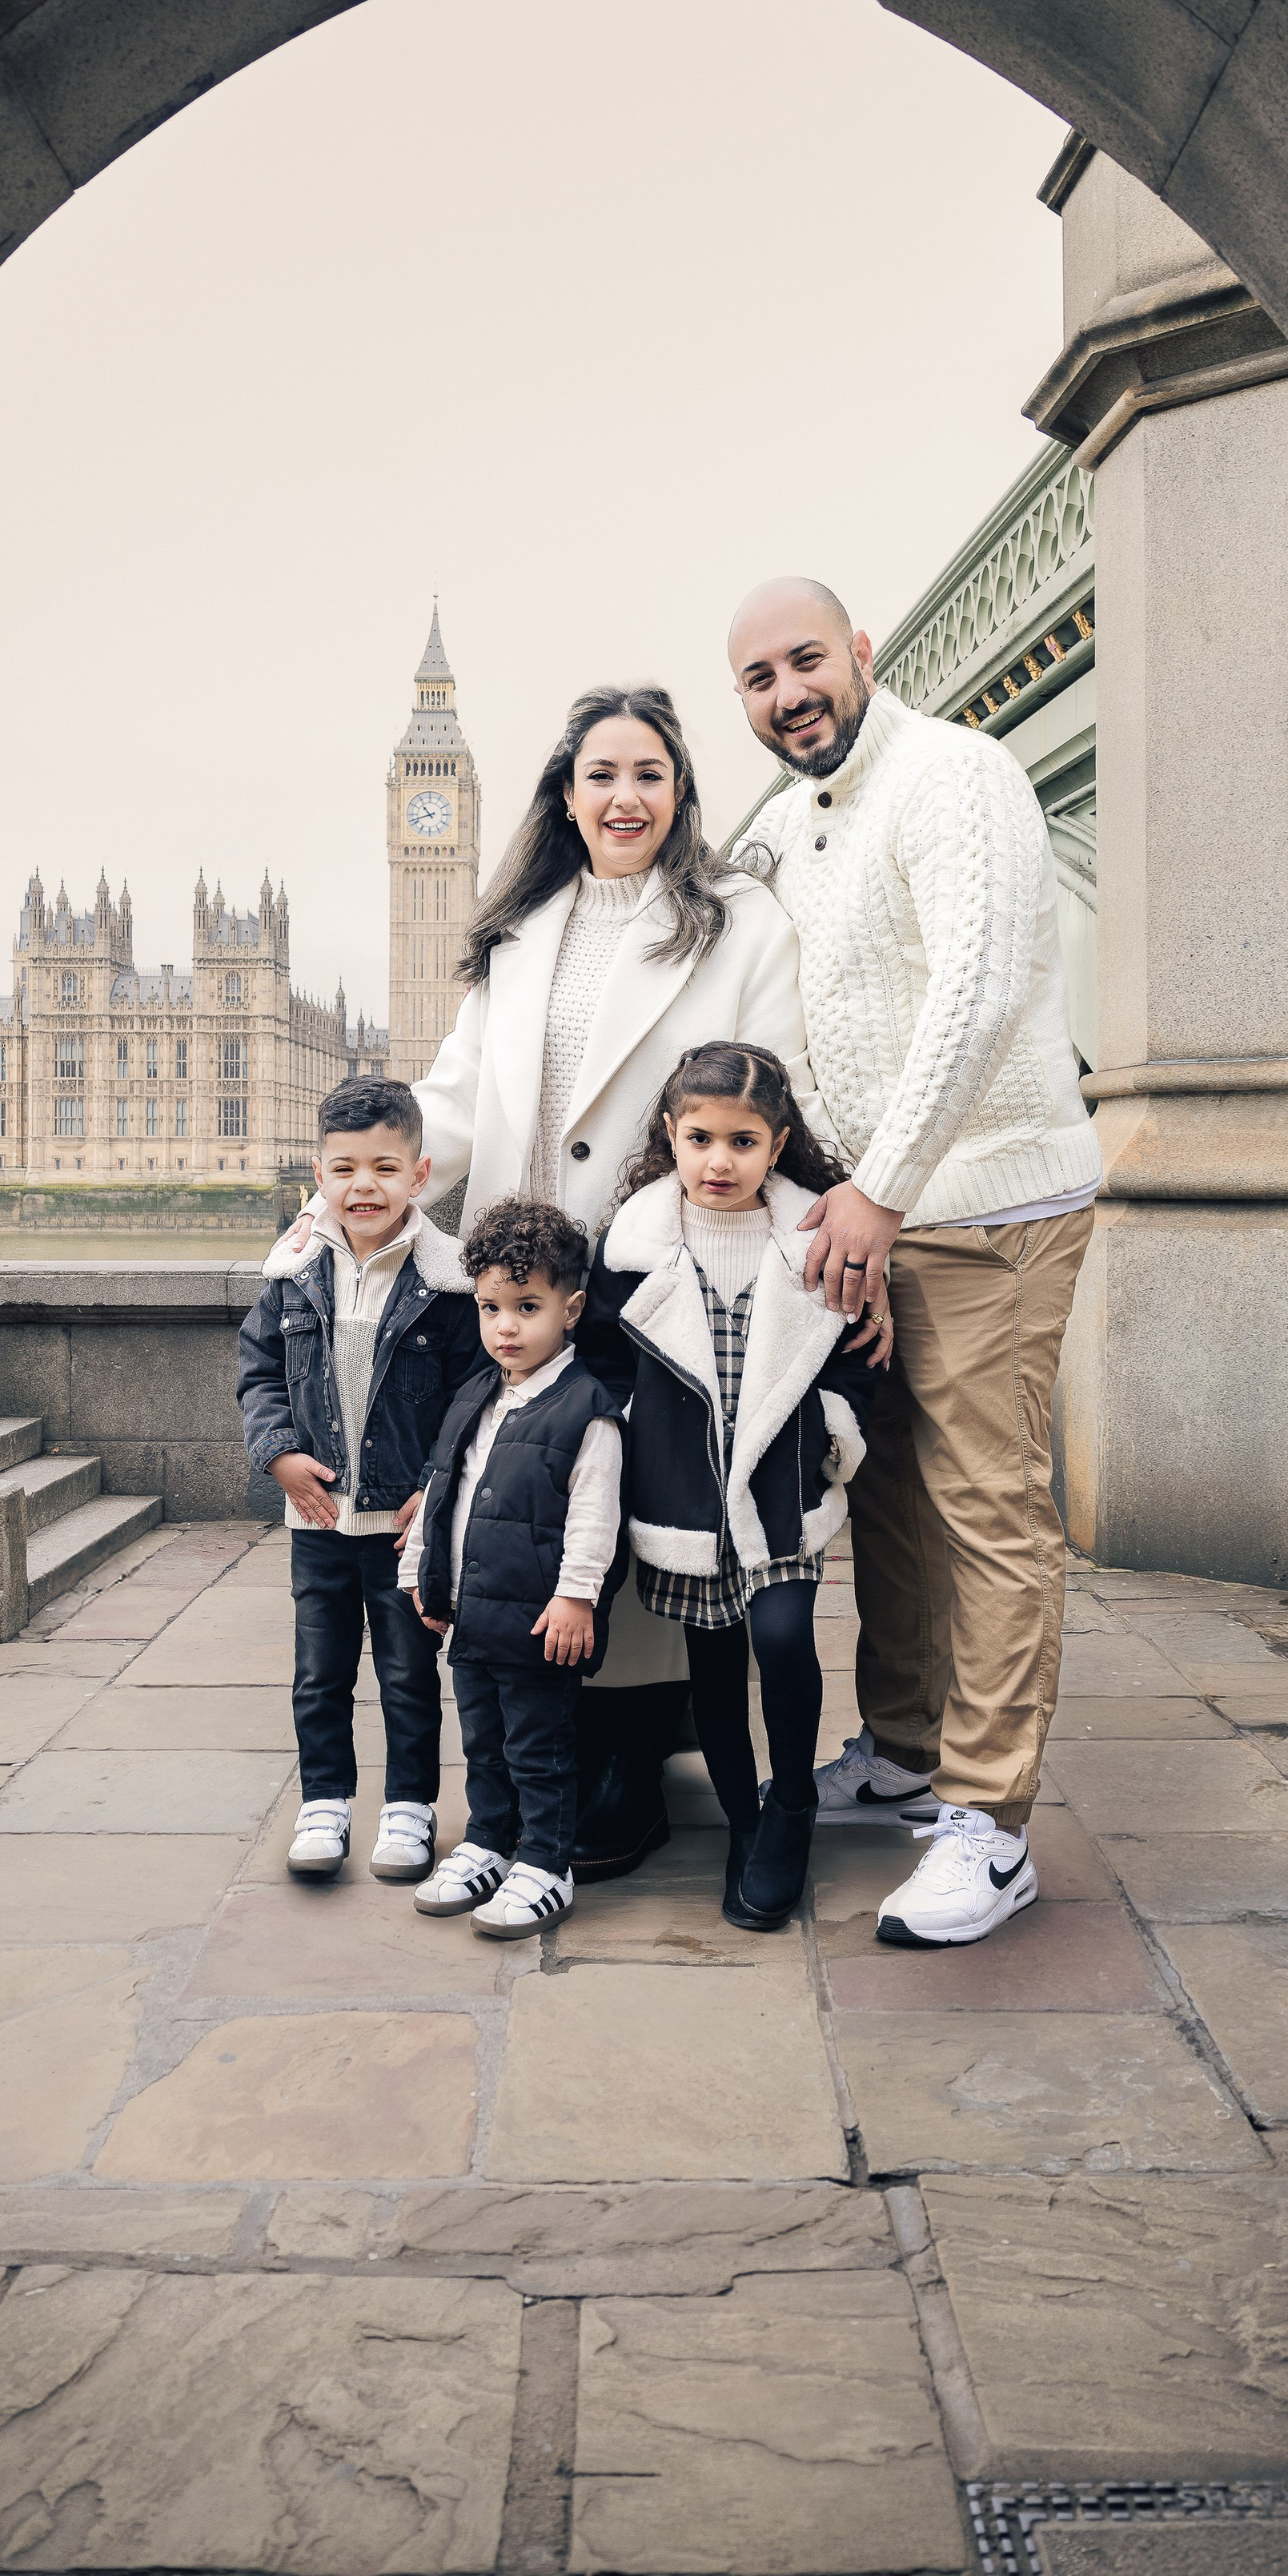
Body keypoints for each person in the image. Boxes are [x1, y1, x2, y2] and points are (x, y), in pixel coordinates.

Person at [729, 576, 1102, 1949]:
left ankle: (990, 1831)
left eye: (806, 661)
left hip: (992, 1207)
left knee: (988, 1509)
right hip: (866, 1218)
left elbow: (982, 987)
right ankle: (901, 1749)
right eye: (759, 680)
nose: (788, 694)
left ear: (864, 653)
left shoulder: (960, 773)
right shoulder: (776, 833)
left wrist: (876, 1193)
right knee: (878, 1491)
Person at [412, 682, 828, 1881]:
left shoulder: (740, 923)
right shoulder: (520, 931)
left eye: (649, 773)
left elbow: (778, 1096)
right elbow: (452, 1098)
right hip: (525, 1273)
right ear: (565, 794)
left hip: (655, 1268)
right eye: (601, 774)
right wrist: (362, 1189)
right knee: (534, 1513)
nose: (624, 795)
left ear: (681, 794)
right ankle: (573, 1751)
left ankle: (628, 1764)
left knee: (645, 1516)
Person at [581, 1043, 877, 1929]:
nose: (719, 1161)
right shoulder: (631, 1246)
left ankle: (791, 1807)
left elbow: (859, 1360)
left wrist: (833, 1427)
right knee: (711, 1660)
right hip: (682, 1496)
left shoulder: (816, 1240)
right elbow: (601, 1363)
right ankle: (744, 1821)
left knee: (783, 1641)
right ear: (671, 1135)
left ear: (777, 1142)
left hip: (780, 1486)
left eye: (743, 1141)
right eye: (700, 1137)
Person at [235, 1079, 482, 1887]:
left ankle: (410, 1808)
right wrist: (276, 1452)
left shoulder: (448, 1285)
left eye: (384, 1166)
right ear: (319, 1175)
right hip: (317, 1522)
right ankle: (325, 1804)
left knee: (409, 1676)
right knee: (320, 1674)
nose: (363, 1185)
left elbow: (471, 1400)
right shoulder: (293, 1273)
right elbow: (259, 1374)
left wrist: (438, 1487)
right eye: (344, 1169)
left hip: (404, 1525)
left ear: (420, 1174)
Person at [397, 1196, 624, 1939]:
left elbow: (595, 1516)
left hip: (537, 1621)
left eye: (527, 1306)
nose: (506, 1327)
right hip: (471, 1616)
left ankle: (547, 1861)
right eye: (492, 1308)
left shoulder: (586, 1408)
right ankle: (488, 1842)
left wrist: (576, 1598)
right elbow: (442, 1493)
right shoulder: (476, 1396)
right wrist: (424, 1576)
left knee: (539, 1750)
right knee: (483, 1744)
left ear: (572, 1308)